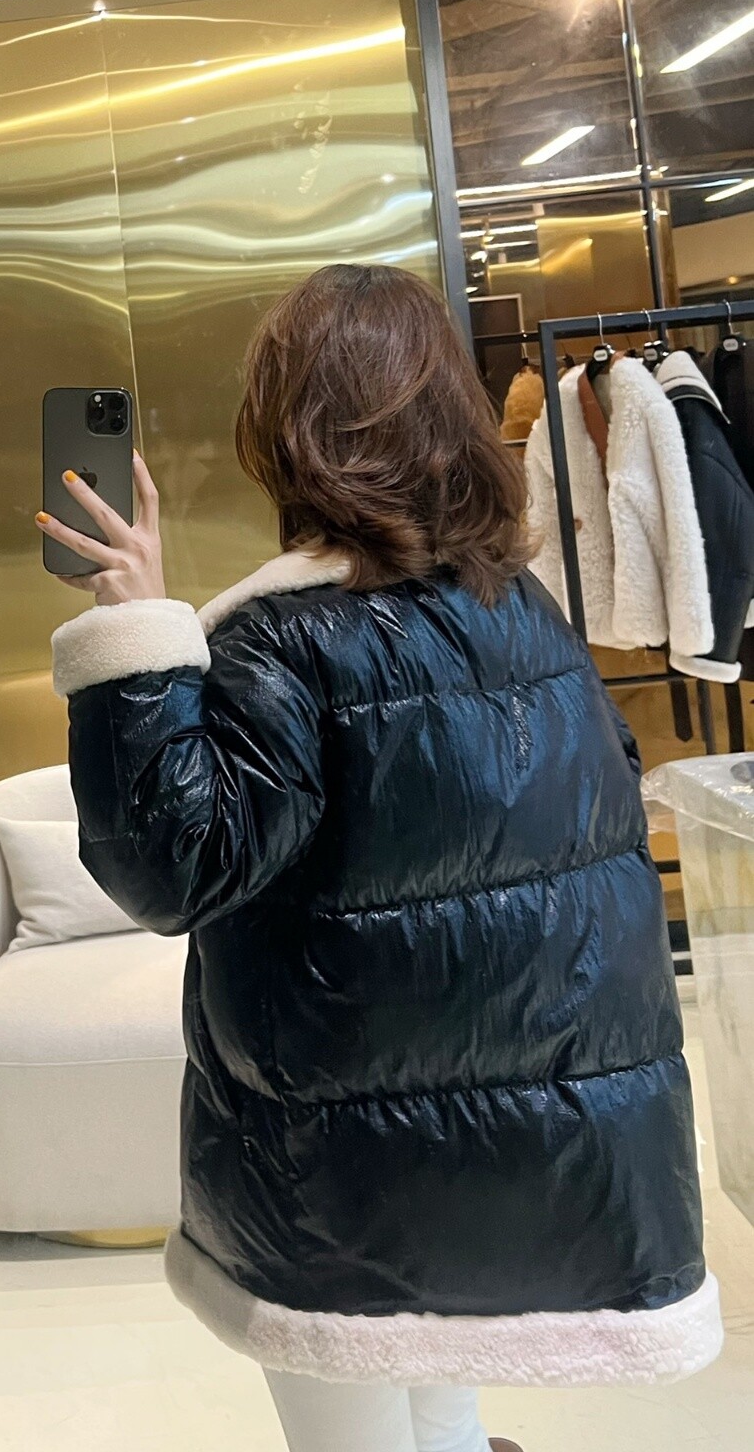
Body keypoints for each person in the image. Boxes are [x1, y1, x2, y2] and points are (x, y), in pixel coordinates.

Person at [37, 265, 721, 1452]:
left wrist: (134, 634)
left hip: (340, 1174)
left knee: (354, 1407)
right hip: (552, 1142)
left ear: (284, 432)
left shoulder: (282, 642)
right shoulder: (522, 615)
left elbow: (175, 866)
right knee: (440, 1378)